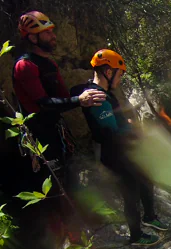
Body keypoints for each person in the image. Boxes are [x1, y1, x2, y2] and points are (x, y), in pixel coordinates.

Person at [71, 49, 167, 245]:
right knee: (130, 193)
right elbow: (111, 132)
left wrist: (128, 126)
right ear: (108, 72)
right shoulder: (99, 98)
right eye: (120, 73)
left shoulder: (102, 93)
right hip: (114, 153)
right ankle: (136, 236)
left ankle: (149, 217)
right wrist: (133, 131)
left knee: (146, 178)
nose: (121, 78)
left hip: (119, 150)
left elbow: (113, 124)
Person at [11, 11, 106, 192]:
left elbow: (63, 96)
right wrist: (80, 100)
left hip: (56, 129)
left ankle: (75, 215)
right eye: (47, 32)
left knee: (69, 171)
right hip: (38, 134)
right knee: (51, 179)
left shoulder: (49, 64)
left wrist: (88, 89)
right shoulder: (25, 65)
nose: (53, 36)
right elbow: (43, 102)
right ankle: (58, 218)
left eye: (52, 31)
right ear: (32, 37)